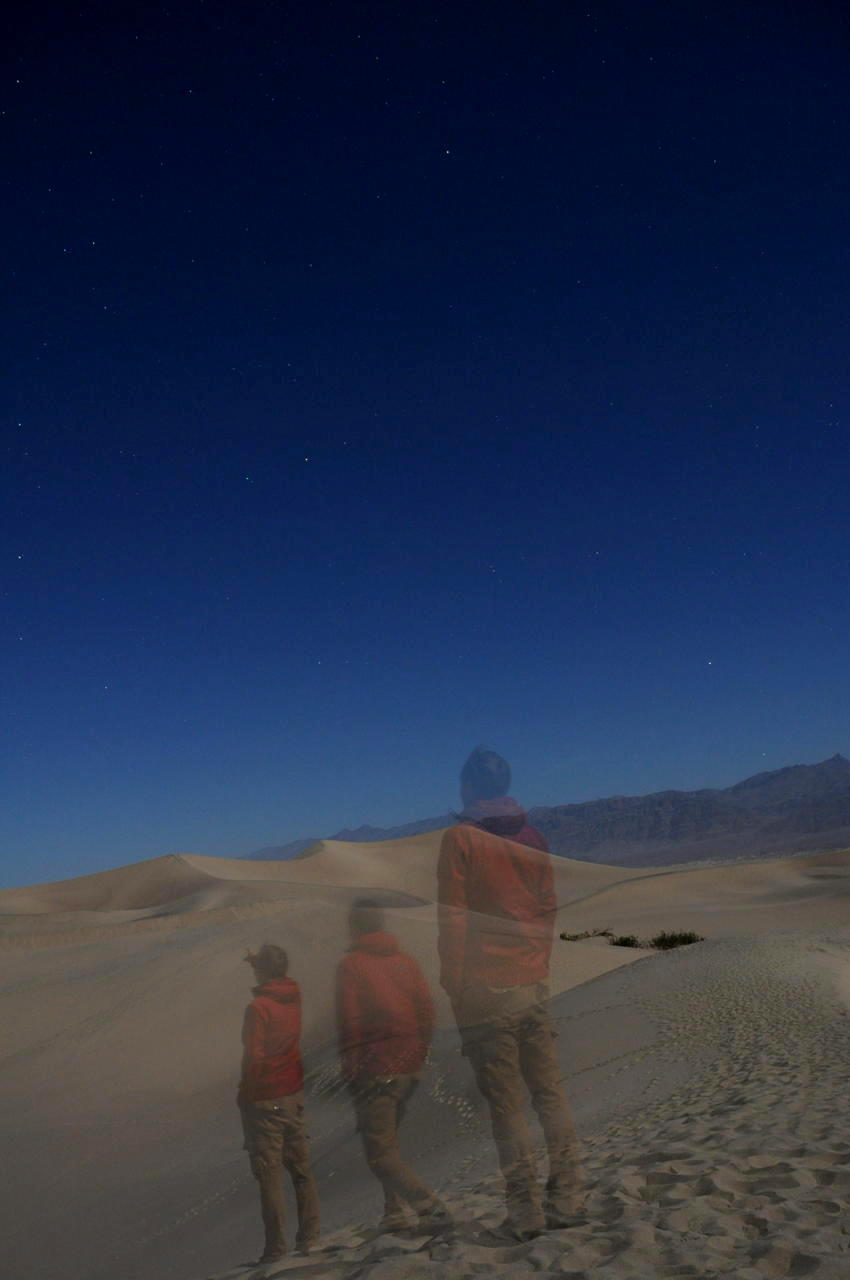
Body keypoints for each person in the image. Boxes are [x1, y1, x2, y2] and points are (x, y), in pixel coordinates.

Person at [437, 747, 583, 1242]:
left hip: (485, 989)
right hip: (531, 984)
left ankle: (525, 1213)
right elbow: (547, 907)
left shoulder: (460, 839)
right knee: (549, 1091)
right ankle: (569, 1197)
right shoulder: (533, 836)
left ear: (466, 787)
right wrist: (538, 965)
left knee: (506, 1105)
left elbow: (454, 918)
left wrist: (455, 986)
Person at [336, 899, 451, 1234]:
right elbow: (426, 1010)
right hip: (409, 1065)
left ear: (354, 926)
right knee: (389, 1143)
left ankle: (430, 1208)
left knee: (380, 1154)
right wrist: (418, 1051)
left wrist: (352, 1069)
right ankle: (393, 1211)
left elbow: (351, 1022)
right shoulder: (406, 961)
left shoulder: (351, 965)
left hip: (375, 1068)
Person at [237, 943, 320, 1263]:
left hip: (264, 1097)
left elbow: (254, 1057)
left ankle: (275, 1247)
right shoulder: (293, 997)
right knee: (300, 1168)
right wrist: (258, 963)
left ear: (263, 970)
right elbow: (274, 983)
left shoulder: (257, 1008)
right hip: (292, 1093)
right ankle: (310, 1235)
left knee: (269, 1176)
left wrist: (245, 1095)